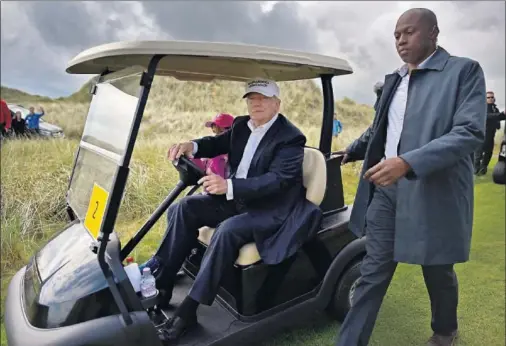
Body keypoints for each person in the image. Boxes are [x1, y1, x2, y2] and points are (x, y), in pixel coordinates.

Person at [334, 8, 486, 346]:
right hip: (388, 192)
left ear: (433, 33)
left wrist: (407, 162)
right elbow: (383, 127)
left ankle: (445, 330)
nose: (401, 40)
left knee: (437, 269)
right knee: (373, 271)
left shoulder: (463, 71)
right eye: (397, 35)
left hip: (434, 190)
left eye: (409, 32)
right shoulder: (395, 79)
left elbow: (470, 131)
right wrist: (354, 149)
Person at [141, 78, 322, 342]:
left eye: (263, 98)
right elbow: (216, 144)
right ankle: (164, 282)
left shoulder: (290, 137)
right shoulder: (241, 125)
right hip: (238, 200)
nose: (256, 103)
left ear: (277, 104)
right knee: (185, 207)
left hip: (272, 208)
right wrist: (192, 145)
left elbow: (277, 181)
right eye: (251, 98)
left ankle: (189, 311)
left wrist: (228, 185)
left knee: (227, 230)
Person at [190, 113, 234, 179]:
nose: (213, 130)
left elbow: (218, 176)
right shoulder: (214, 147)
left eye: (214, 126)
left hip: (218, 185)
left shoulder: (219, 152)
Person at [474, 91, 506, 175]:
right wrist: (501, 114)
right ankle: (475, 170)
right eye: (489, 97)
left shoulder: (495, 108)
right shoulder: (482, 107)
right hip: (482, 133)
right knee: (478, 153)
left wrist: (502, 115)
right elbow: (489, 116)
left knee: (488, 152)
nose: (491, 99)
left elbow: (500, 116)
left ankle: (483, 169)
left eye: (492, 97)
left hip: (491, 134)